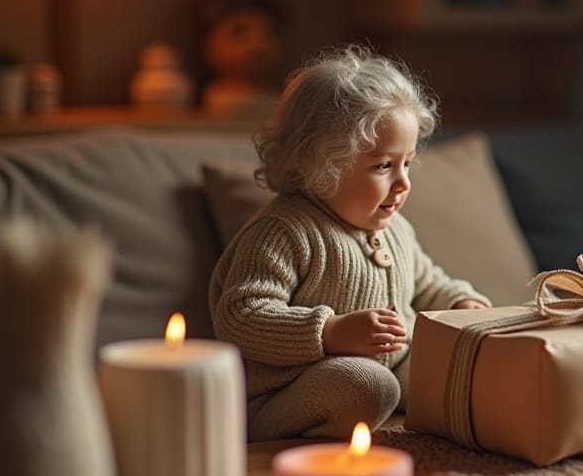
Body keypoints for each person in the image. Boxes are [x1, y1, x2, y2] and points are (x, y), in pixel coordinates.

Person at [210, 44, 490, 438]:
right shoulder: (284, 230)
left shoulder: (395, 229)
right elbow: (240, 315)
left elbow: (427, 284)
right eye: (384, 165)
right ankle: (300, 439)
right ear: (321, 163)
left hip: (394, 364)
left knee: (462, 371)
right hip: (291, 389)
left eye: (407, 163)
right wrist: (330, 331)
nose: (403, 182)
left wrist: (459, 302)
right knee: (369, 385)